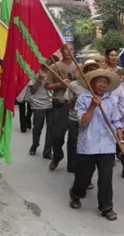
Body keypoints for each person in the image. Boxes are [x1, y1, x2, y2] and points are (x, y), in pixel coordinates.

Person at [69, 68, 124, 221]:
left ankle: (106, 207)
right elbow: (83, 123)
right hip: (88, 146)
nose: (102, 84)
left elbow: (116, 122)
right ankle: (76, 194)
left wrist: (121, 142)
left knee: (106, 178)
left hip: (107, 145)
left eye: (105, 82)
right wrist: (93, 106)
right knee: (83, 177)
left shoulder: (111, 100)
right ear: (92, 83)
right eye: (99, 81)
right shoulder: (83, 98)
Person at [63, 59, 100, 175]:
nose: (92, 72)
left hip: (92, 122)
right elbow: (66, 104)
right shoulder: (74, 85)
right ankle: (72, 166)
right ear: (84, 71)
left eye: (95, 70)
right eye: (90, 70)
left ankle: (85, 171)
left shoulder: (98, 87)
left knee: (87, 147)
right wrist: (74, 99)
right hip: (75, 119)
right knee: (73, 144)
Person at [45, 43, 79, 171]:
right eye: (66, 49)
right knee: (57, 136)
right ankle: (57, 156)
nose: (68, 52)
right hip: (59, 104)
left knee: (73, 139)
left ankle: (72, 165)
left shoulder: (79, 67)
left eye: (71, 49)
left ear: (74, 51)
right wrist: (59, 84)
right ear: (61, 51)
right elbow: (47, 86)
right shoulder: (55, 67)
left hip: (75, 105)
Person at [28, 61, 54, 158]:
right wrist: (38, 80)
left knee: (51, 128)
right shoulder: (34, 72)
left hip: (52, 102)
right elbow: (32, 91)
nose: (47, 61)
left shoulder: (55, 71)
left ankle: (47, 150)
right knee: (37, 127)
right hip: (38, 103)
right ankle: (35, 145)